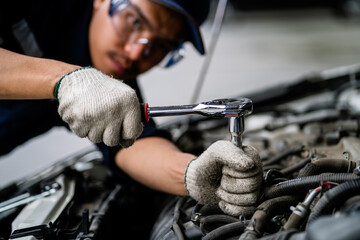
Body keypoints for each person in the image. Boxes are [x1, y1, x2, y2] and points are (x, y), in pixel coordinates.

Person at [0, 0, 263, 221]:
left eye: (161, 46)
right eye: (135, 21)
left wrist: (194, 174)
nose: (136, 53)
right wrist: (66, 79)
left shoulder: (116, 87)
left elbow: (136, 145)